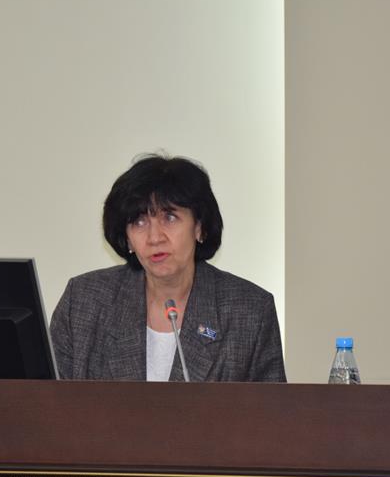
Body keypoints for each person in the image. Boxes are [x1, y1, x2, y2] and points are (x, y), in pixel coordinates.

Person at [50, 154, 286, 382]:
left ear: (199, 227)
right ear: (128, 238)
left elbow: (270, 409)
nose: (155, 237)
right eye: (139, 222)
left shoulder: (249, 311)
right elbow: (45, 401)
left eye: (169, 218)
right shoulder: (83, 302)